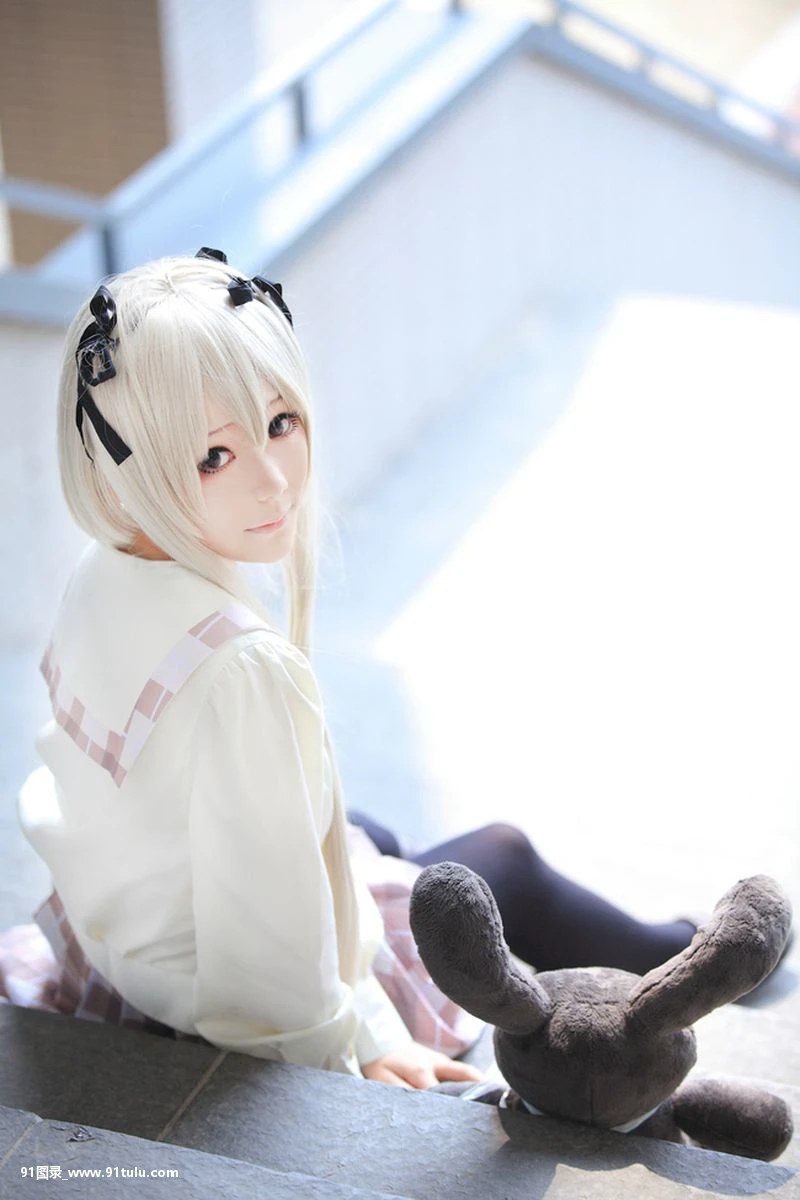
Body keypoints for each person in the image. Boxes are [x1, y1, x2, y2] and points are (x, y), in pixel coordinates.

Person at [4, 249, 700, 1092]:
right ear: (123, 464)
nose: (274, 482)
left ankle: (678, 947)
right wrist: (361, 1041)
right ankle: (691, 959)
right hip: (220, 1002)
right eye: (213, 456)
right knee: (504, 860)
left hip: (115, 951)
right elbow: (274, 977)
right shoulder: (240, 669)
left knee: (368, 827)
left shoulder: (99, 571)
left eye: (280, 423)